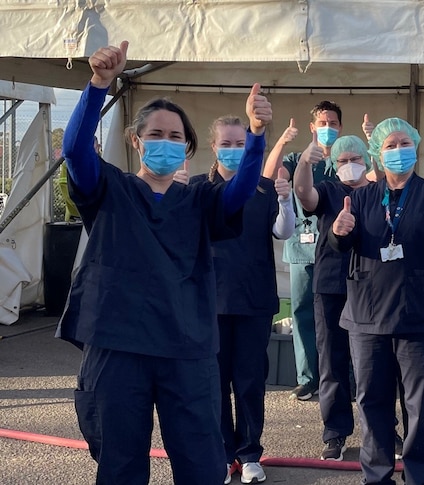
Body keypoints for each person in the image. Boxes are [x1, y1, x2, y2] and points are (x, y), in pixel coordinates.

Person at [56, 41, 272, 484]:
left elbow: (241, 192)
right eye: (155, 134)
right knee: (120, 465)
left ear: (189, 149)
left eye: (175, 136)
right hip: (118, 347)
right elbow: (75, 152)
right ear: (136, 142)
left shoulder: (198, 200)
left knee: (200, 465)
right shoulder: (110, 190)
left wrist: (255, 135)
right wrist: (98, 85)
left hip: (185, 349)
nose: (165, 142)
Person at [330, 117, 424, 485]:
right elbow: (342, 244)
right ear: (378, 153)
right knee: (371, 402)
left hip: (419, 315)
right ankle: (377, 476)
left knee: (419, 405)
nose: (399, 151)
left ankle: (419, 476)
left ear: (416, 147)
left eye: (405, 143)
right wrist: (338, 233)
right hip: (367, 315)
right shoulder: (359, 198)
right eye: (390, 145)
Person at [187, 116, 295, 484]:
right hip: (210, 301)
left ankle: (249, 453)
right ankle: (221, 452)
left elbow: (283, 232)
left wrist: (286, 200)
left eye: (240, 144)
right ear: (213, 147)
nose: (233, 150)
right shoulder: (198, 188)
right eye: (227, 144)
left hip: (253, 299)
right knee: (213, 382)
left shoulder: (262, 188)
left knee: (249, 381)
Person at [292, 133, 372, 461]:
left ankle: (381, 430)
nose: (350, 166)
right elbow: (304, 194)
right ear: (333, 165)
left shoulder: (378, 192)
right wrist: (304, 163)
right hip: (330, 284)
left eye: (356, 159)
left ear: (367, 161)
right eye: (343, 161)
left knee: (373, 365)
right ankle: (335, 433)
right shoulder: (329, 189)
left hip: (372, 286)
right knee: (332, 361)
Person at [263, 103, 341, 401]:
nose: (328, 127)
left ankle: (339, 376)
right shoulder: (297, 159)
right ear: (312, 127)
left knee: (336, 315)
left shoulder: (342, 160)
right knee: (302, 312)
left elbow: (369, 180)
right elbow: (269, 177)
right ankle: (308, 378)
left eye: (333, 122)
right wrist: (282, 142)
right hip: (301, 247)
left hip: (334, 249)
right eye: (322, 122)